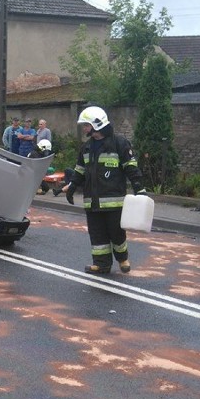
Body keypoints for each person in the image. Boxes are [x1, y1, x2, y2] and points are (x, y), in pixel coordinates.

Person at [62, 106, 145, 275]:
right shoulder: (86, 147)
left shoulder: (119, 143)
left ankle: (122, 258)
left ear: (97, 124)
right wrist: (72, 187)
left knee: (117, 233)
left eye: (86, 125)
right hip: (92, 202)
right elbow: (80, 170)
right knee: (97, 235)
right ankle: (101, 264)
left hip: (114, 202)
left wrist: (140, 189)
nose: (84, 128)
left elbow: (131, 168)